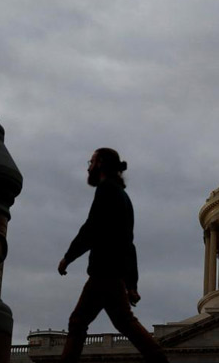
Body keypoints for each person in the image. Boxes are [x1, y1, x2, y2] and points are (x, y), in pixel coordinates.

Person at [57, 148, 168, 363]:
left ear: (100, 164)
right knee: (125, 322)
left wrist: (68, 257)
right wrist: (131, 284)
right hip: (115, 275)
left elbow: (90, 229)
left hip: (103, 273)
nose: (88, 167)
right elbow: (129, 244)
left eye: (91, 161)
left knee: (78, 322)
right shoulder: (123, 197)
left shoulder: (106, 190)